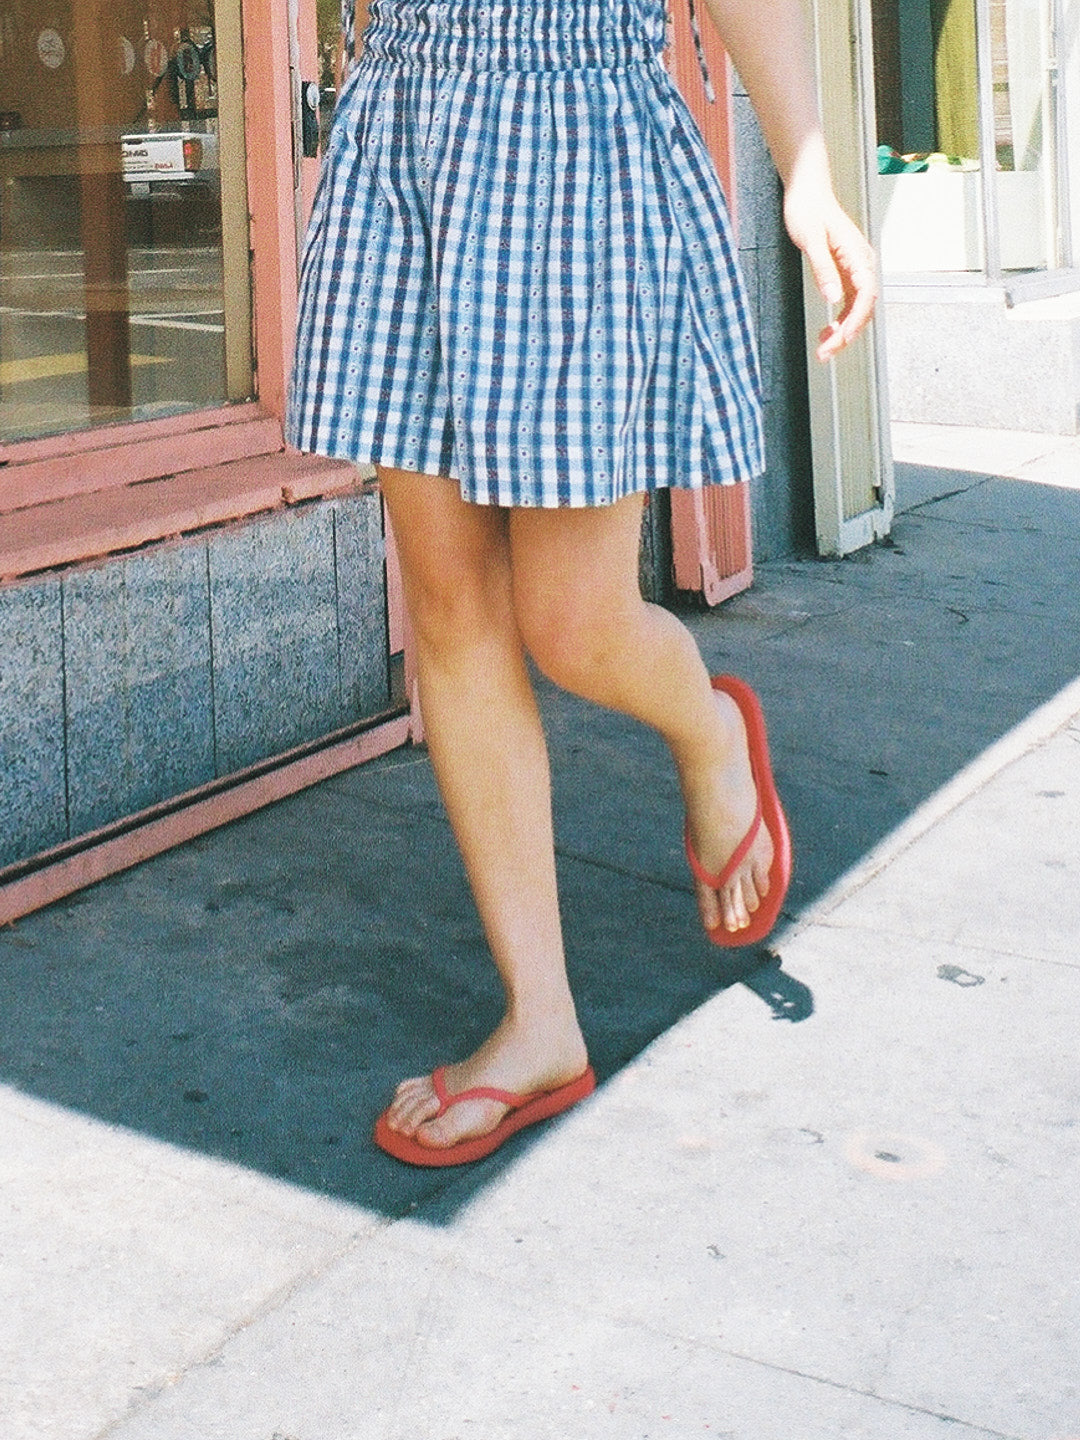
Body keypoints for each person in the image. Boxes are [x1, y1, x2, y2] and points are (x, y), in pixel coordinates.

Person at [287, 0, 877, 1166]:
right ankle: (541, 1020)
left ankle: (710, 734)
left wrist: (803, 166)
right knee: (452, 611)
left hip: (577, 140)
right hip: (407, 122)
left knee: (572, 623)